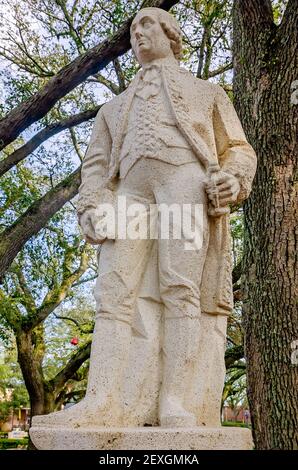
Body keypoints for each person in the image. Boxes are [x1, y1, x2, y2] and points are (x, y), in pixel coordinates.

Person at [32, 7, 256, 429]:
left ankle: (175, 401)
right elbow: (95, 167)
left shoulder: (207, 93)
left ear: (170, 34)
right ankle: (100, 401)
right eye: (132, 29)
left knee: (180, 288)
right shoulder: (112, 110)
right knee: (113, 291)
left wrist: (232, 178)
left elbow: (240, 150)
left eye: (145, 25)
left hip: (185, 185)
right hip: (130, 195)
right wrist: (92, 204)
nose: (136, 34)